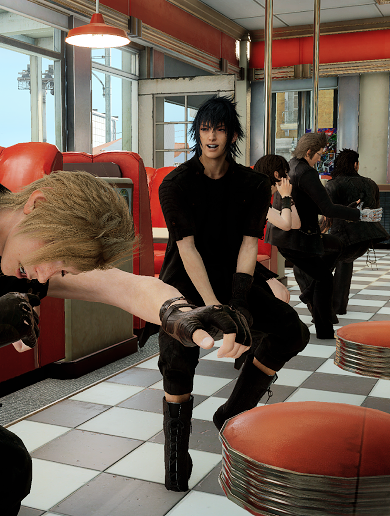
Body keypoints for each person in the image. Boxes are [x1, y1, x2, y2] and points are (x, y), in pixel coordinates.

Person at [0, 170, 239, 516]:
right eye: (57, 256)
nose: (46, 275)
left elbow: (127, 286)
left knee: (5, 465)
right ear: (36, 204)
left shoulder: (22, 255)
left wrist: (179, 313)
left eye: (64, 268)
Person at [154, 97, 310, 492]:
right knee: (177, 364)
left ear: (233, 135)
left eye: (220, 129)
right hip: (184, 281)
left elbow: (248, 245)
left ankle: (232, 412)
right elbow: (187, 249)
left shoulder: (252, 184)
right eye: (205, 128)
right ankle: (176, 460)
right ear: (197, 133)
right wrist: (213, 307)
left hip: (233, 276)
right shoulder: (175, 183)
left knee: (292, 332)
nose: (212, 136)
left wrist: (238, 302)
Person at [266, 132, 383, 339]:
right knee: (324, 278)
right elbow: (326, 208)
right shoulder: (306, 172)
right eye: (319, 154)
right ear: (309, 152)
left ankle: (308, 293)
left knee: (336, 246)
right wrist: (360, 215)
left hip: (285, 237)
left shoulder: (291, 165)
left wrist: (348, 209)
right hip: (298, 239)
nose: (321, 158)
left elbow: (316, 205)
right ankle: (325, 330)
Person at [322, 149, 389, 314]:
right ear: (355, 165)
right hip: (366, 237)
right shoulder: (371, 183)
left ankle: (320, 304)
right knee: (345, 263)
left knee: (321, 269)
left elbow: (327, 217)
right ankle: (339, 306)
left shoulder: (333, 185)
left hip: (341, 236)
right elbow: (375, 211)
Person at [253, 153, 302, 304]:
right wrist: (285, 196)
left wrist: (288, 197)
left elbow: (295, 224)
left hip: (244, 257)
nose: (289, 178)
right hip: (232, 258)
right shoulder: (256, 197)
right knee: (280, 295)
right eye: (286, 173)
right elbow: (286, 225)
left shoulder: (262, 196)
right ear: (276, 174)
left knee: (282, 293)